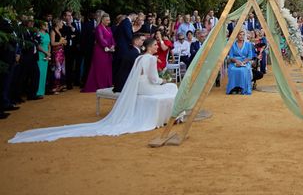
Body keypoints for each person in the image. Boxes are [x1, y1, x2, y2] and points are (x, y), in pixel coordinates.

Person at [10, 37, 178, 143]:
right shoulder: (150, 59)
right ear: (149, 47)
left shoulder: (141, 57)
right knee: (171, 88)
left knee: (168, 88)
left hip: (140, 86)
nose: (157, 46)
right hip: (147, 87)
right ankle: (175, 116)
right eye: (156, 44)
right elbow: (154, 79)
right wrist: (164, 80)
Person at [82, 13, 115, 93]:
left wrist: (113, 46)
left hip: (108, 51)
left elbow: (112, 39)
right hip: (100, 51)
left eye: (109, 20)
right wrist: (107, 46)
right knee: (99, 68)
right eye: (107, 20)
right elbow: (100, 39)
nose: (109, 21)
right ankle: (99, 85)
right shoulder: (98, 28)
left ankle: (106, 84)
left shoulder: (109, 28)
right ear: (102, 20)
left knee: (107, 68)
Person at [226, 30, 255, 95]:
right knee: (233, 70)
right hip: (234, 62)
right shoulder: (233, 45)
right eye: (240, 34)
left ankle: (242, 88)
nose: (241, 36)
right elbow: (231, 56)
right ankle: (233, 88)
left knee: (243, 70)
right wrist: (236, 61)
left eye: (243, 35)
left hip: (245, 62)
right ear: (237, 36)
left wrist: (243, 62)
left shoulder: (248, 44)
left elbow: (250, 56)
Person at [49, 19, 66, 93]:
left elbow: (60, 42)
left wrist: (64, 42)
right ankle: (54, 87)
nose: (62, 24)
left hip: (61, 51)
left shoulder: (59, 31)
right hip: (56, 52)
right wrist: (60, 42)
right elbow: (52, 43)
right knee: (57, 69)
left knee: (62, 69)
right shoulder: (53, 31)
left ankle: (60, 86)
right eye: (61, 23)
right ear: (57, 23)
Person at [35, 21, 50, 98]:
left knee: (44, 74)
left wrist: (49, 53)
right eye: (45, 24)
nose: (46, 26)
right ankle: (37, 92)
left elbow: (49, 45)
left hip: (46, 56)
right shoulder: (38, 34)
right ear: (40, 26)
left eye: (47, 24)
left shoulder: (47, 34)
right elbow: (37, 46)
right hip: (40, 55)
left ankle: (41, 92)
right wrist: (46, 52)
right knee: (39, 74)